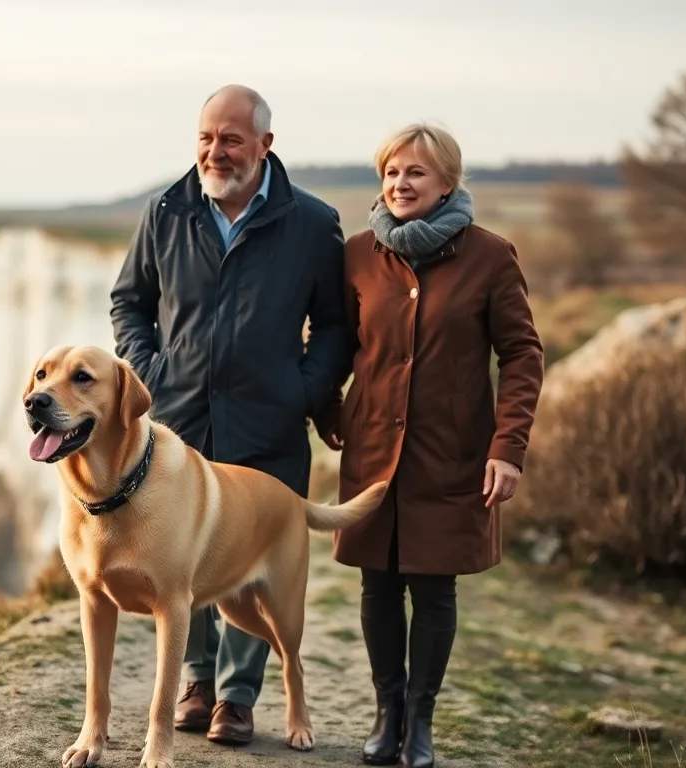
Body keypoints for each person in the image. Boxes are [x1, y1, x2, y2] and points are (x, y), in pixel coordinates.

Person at [109, 84, 352, 747]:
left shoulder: (311, 222)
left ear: (265, 146)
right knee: (184, 554)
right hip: (177, 424)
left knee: (253, 558)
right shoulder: (166, 210)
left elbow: (334, 326)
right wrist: (150, 374)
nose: (216, 152)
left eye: (232, 140)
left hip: (268, 424)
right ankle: (195, 680)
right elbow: (130, 301)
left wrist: (302, 390)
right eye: (206, 139)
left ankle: (239, 698)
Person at [319, 122, 544, 768]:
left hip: (453, 454)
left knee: (433, 590)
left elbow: (523, 354)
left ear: (448, 182)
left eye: (415, 173)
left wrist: (509, 445)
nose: (400, 184)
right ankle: (386, 713)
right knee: (377, 588)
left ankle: (420, 722)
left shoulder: (491, 256)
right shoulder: (359, 253)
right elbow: (336, 340)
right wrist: (329, 402)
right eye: (390, 173)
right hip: (372, 454)